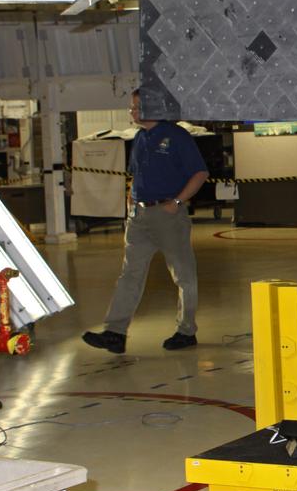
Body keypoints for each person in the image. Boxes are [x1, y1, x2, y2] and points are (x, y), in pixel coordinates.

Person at [83, 90, 209, 354]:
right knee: (130, 274)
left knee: (183, 275)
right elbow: (137, 174)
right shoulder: (140, 138)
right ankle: (115, 332)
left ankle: (186, 331)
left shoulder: (176, 136)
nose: (132, 112)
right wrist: (132, 201)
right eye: (132, 107)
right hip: (139, 217)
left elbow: (200, 173)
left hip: (168, 215)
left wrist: (176, 203)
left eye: (137, 107)